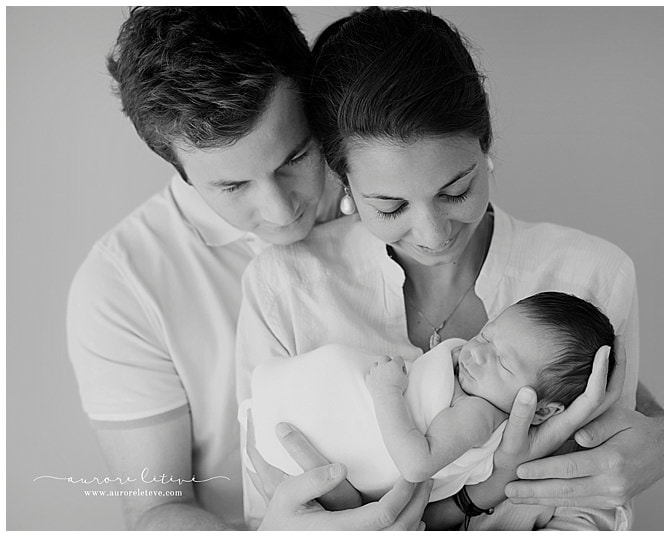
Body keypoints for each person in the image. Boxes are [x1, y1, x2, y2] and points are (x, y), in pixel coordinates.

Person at [236, 6, 664, 531]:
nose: (433, 234)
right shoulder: (285, 285)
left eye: (456, 191)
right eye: (390, 207)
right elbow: (266, 505)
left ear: (485, 142)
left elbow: (593, 510)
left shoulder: (591, 274)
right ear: (344, 182)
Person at [66, 7, 430, 530]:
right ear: (178, 168)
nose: (283, 211)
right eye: (233, 187)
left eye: (296, 157)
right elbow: (154, 510)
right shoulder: (122, 285)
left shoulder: (396, 188)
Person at [246, 292, 623, 529]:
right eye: (487, 335)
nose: (477, 353)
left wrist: (386, 393)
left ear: (541, 412)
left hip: (350, 440)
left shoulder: (478, 415)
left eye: (503, 364)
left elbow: (416, 464)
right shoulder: (470, 376)